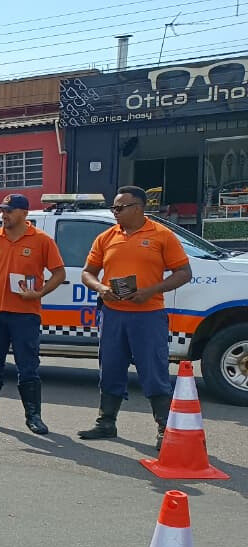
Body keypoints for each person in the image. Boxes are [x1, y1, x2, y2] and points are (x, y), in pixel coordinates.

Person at [78, 186, 192, 449]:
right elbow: (88, 272)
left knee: (154, 371)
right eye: (114, 208)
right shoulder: (106, 237)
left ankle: (165, 428)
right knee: (111, 368)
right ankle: (106, 422)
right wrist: (102, 288)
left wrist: (151, 291)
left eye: (119, 208)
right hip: (113, 315)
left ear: (138, 208)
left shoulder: (162, 235)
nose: (114, 213)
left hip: (148, 315)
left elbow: (184, 272)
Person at [0, 194, 66, 434]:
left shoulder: (41, 241)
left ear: (24, 214)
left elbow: (59, 273)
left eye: (9, 210)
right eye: (2, 210)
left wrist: (39, 292)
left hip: (25, 315)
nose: (3, 215)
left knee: (28, 367)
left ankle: (33, 417)